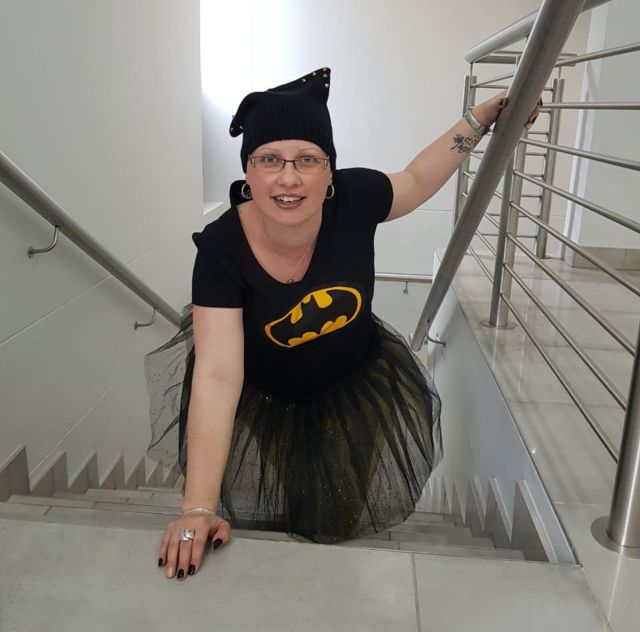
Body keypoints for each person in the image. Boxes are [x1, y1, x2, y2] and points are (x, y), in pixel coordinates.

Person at [144, 66, 540, 580]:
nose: (289, 178)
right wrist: (198, 507)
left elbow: (417, 179)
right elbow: (218, 374)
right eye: (269, 159)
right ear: (247, 172)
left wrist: (481, 119)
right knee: (280, 483)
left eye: (307, 159)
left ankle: (335, 570)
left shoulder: (355, 199)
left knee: (344, 489)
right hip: (267, 396)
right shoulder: (222, 249)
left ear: (330, 171)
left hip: (357, 385)